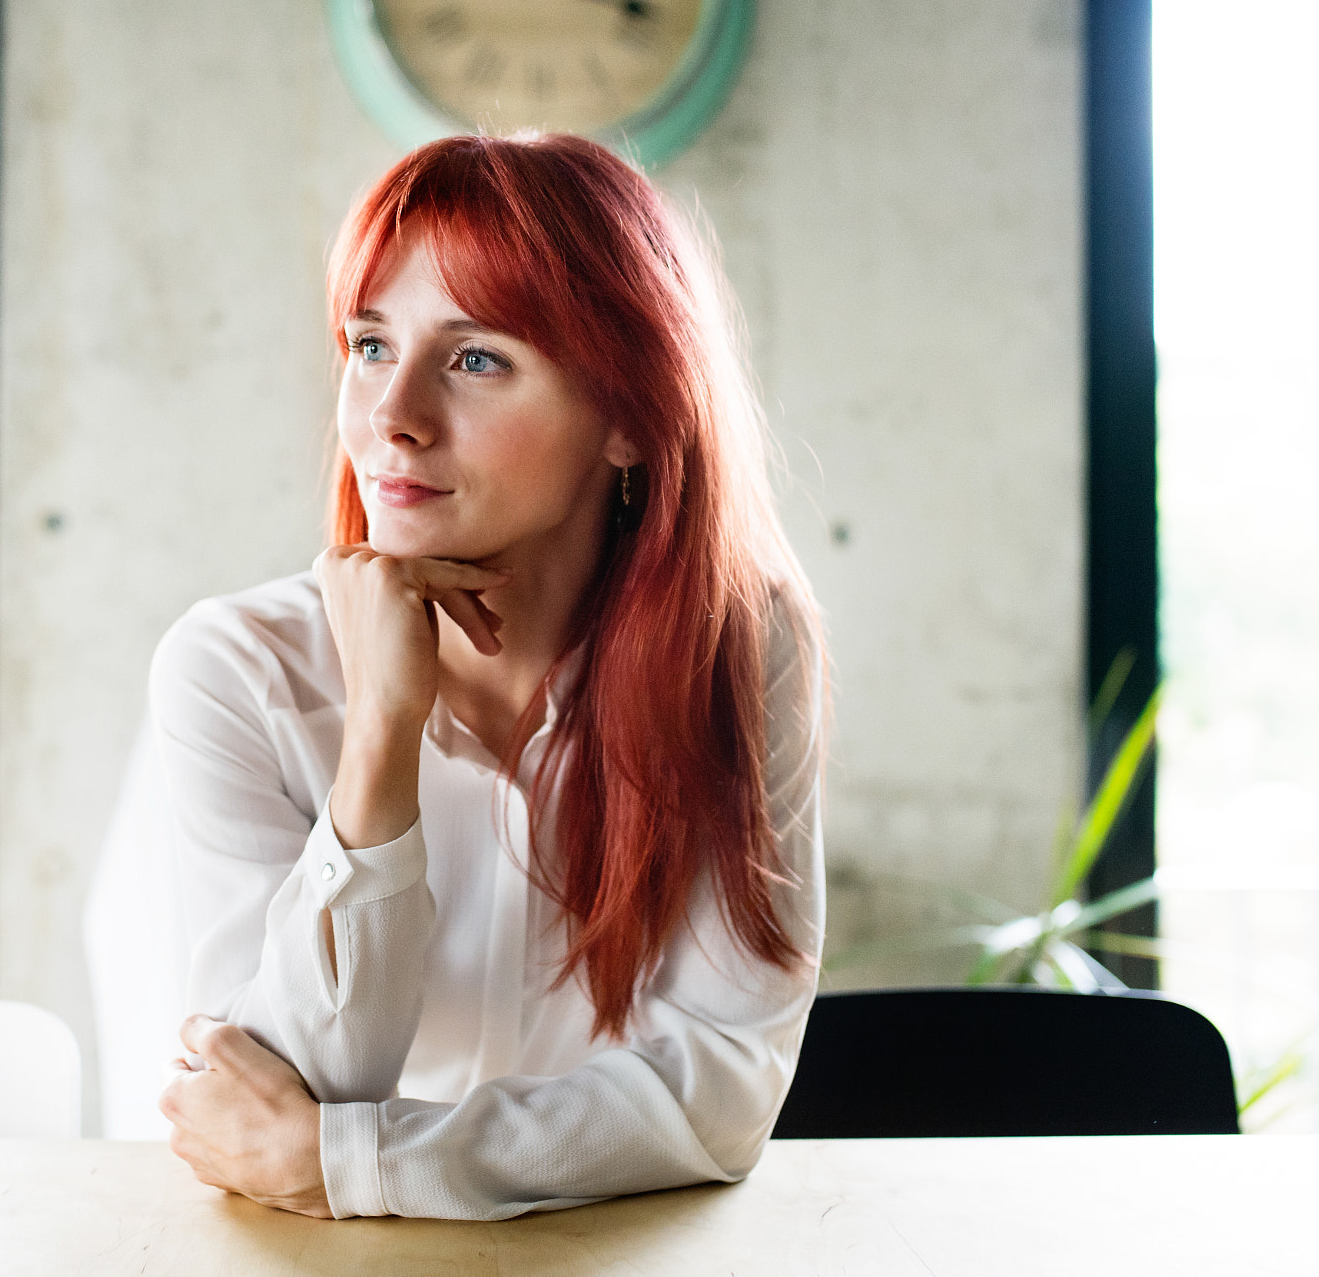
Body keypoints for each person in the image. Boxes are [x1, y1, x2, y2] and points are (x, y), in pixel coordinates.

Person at [145, 133, 824, 1221]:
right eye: (369, 345)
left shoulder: (735, 649)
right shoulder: (232, 672)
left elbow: (721, 1091)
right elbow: (264, 1102)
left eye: (474, 359)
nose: (390, 415)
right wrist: (380, 733)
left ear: (629, 417)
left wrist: (359, 1161)